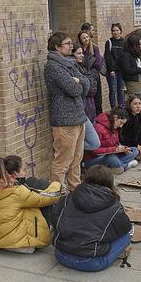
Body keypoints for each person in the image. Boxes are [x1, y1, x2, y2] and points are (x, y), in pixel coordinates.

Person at [52, 165, 134, 271]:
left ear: (86, 178)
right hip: (90, 262)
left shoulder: (68, 197)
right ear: (110, 182)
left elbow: (54, 219)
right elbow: (125, 227)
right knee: (126, 236)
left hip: (62, 255)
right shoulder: (114, 206)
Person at [0, 156, 63, 254]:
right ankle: (48, 228)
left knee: (29, 194)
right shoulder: (18, 192)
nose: (26, 171)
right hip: (20, 245)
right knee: (41, 191)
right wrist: (56, 184)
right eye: (24, 169)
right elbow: (50, 197)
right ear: (15, 174)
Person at [45, 32, 93, 191]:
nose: (71, 46)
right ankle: (57, 195)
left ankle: (75, 190)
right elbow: (73, 89)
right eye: (67, 43)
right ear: (57, 47)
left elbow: (87, 84)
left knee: (76, 159)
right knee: (62, 161)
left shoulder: (70, 63)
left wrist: (79, 81)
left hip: (79, 117)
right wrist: (78, 84)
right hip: (65, 121)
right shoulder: (53, 67)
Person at [78, 28, 105, 116]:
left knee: (97, 101)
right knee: (88, 102)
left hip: (94, 77)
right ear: (80, 40)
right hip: (84, 77)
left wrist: (90, 72)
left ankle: (99, 120)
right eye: (83, 38)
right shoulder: (79, 50)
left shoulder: (94, 48)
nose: (86, 39)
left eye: (87, 37)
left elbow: (98, 64)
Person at [72, 41, 102, 121]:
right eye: (79, 53)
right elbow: (87, 88)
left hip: (89, 103)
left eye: (82, 53)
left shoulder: (83, 66)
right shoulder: (74, 68)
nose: (82, 55)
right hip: (83, 105)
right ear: (72, 54)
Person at [104, 23, 128, 108]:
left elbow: (125, 56)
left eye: (117, 30)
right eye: (113, 30)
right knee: (113, 90)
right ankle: (113, 108)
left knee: (121, 90)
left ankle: (121, 108)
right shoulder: (109, 42)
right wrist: (111, 70)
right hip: (112, 71)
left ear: (120, 31)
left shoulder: (124, 42)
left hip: (121, 71)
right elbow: (107, 56)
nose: (115, 32)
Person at [121, 33, 141, 106]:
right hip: (132, 81)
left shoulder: (135, 54)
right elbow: (128, 69)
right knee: (135, 102)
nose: (140, 46)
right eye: (138, 44)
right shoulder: (125, 55)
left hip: (140, 79)